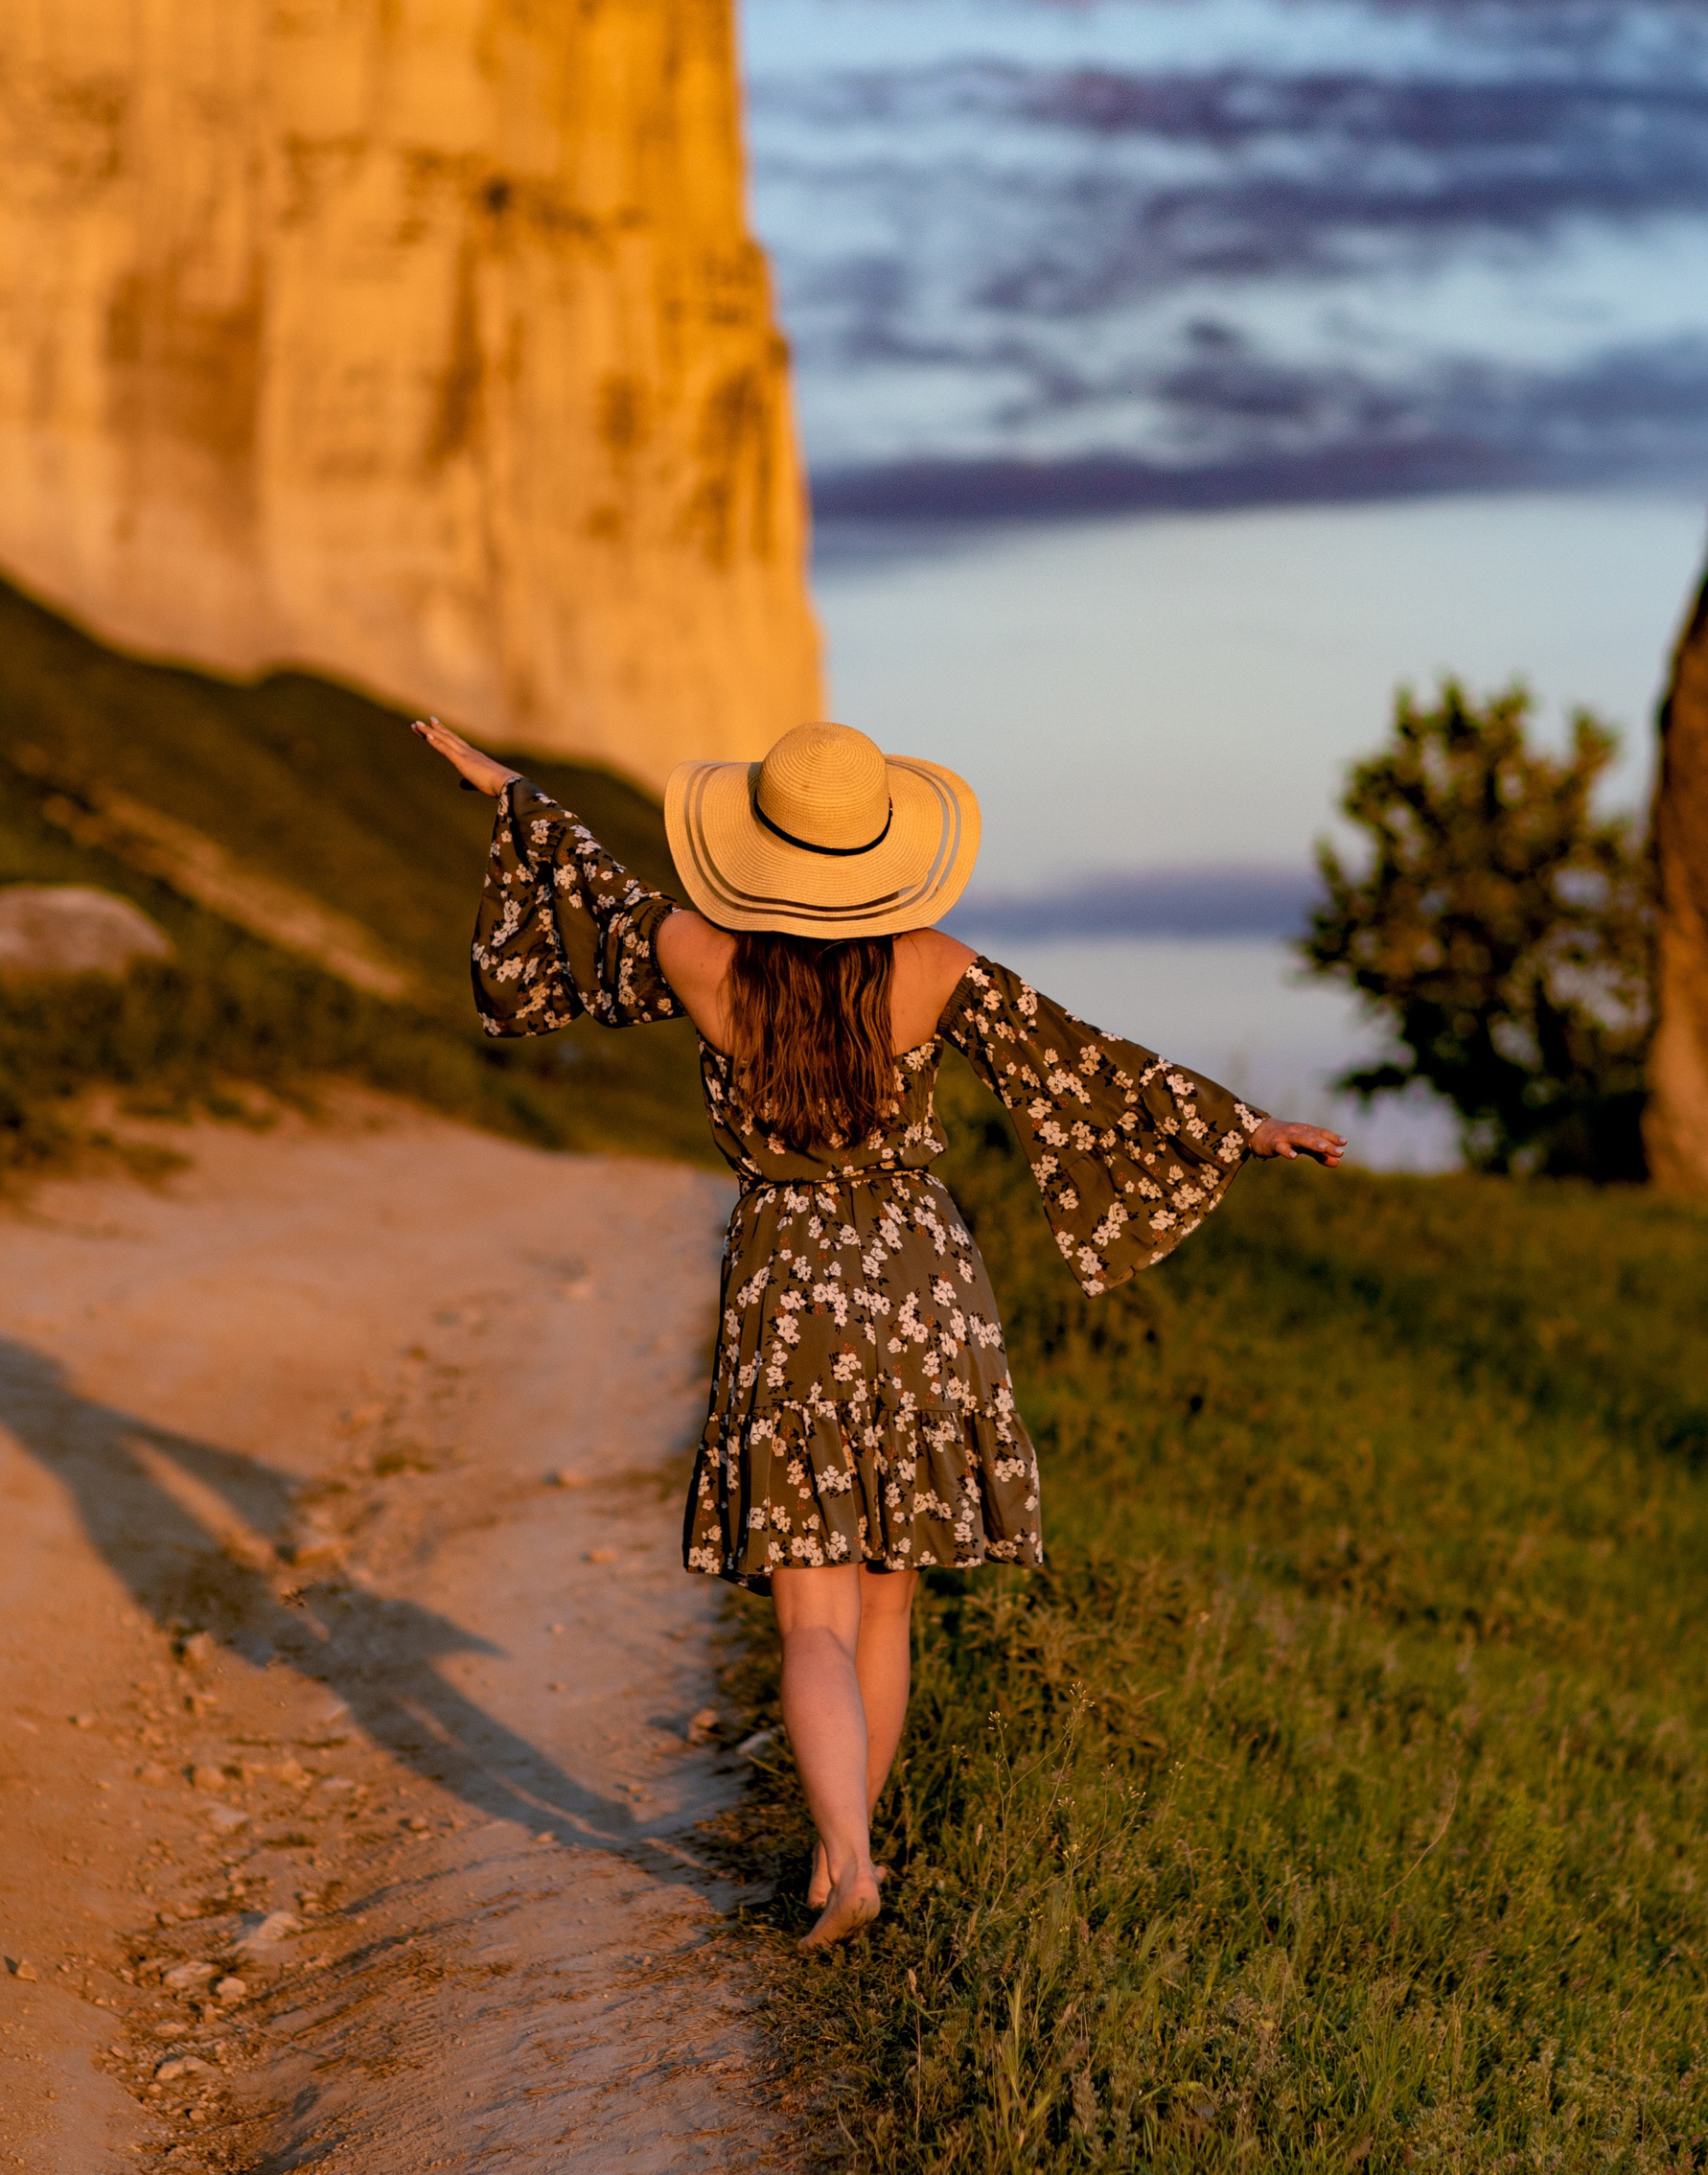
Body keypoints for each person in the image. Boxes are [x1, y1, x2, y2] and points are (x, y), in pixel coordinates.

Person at [414, 712, 1344, 1951]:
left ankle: (846, 1856)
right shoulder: (938, 966)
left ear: (763, 844)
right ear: (883, 850)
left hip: (787, 1275)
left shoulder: (699, 953)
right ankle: (855, 1848)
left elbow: (587, 873)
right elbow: (1090, 1069)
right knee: (888, 1604)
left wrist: (507, 784)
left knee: (810, 1615)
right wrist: (1244, 1128)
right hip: (919, 1275)